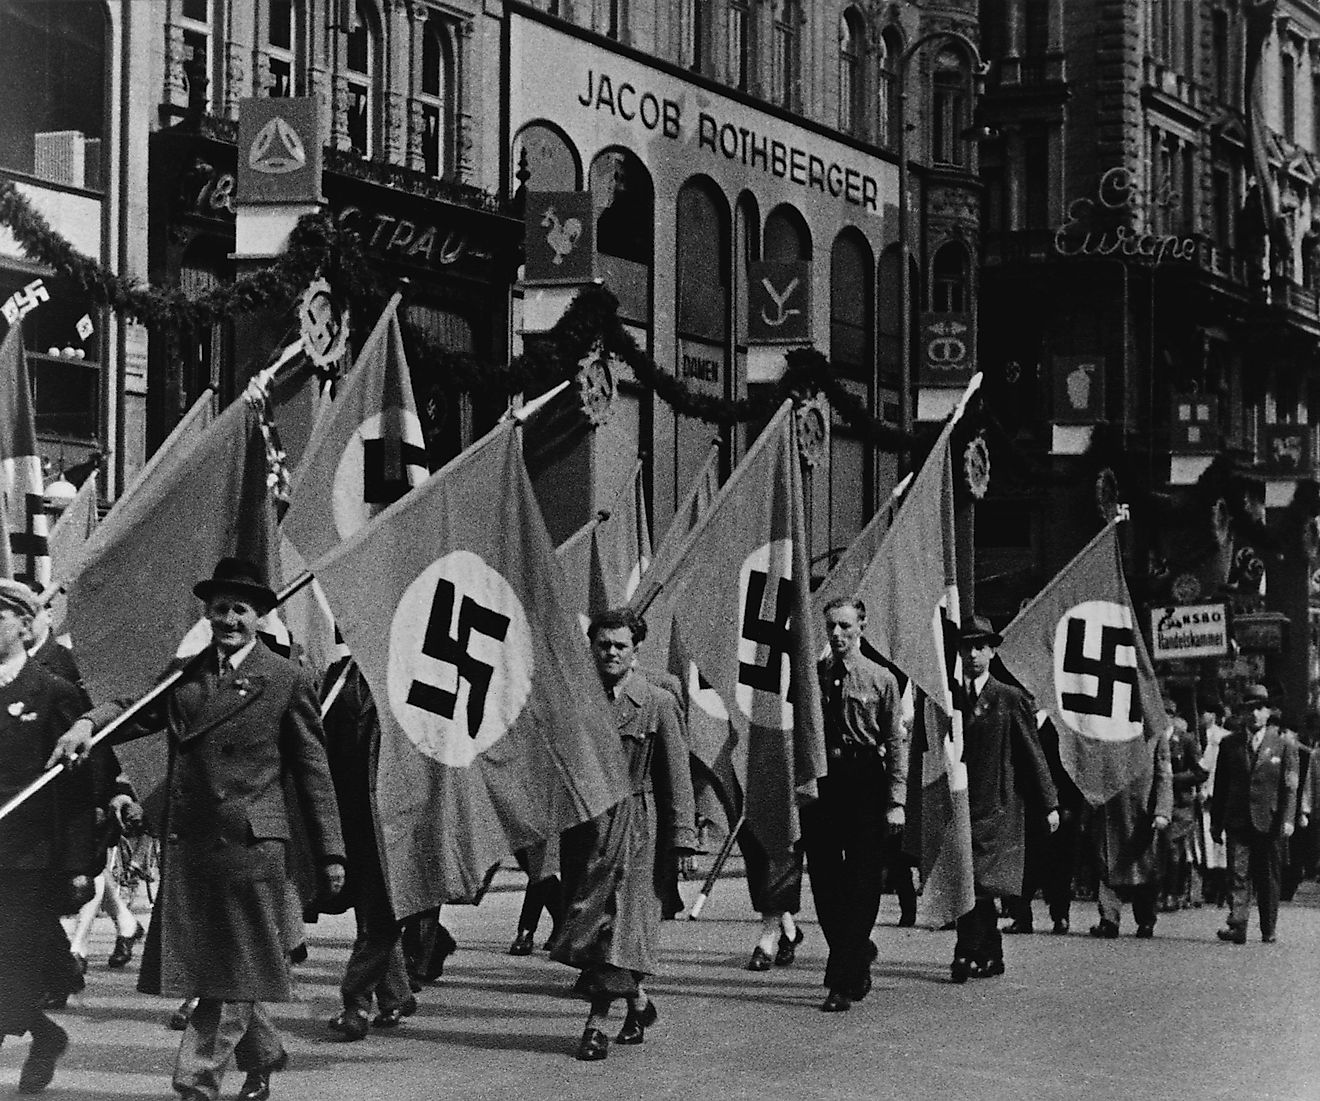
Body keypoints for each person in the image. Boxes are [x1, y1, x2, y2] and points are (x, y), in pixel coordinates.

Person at [48, 558, 345, 1101]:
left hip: (250, 844)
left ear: (260, 617)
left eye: (240, 609)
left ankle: (196, 1080)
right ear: (206, 613)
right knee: (225, 961)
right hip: (191, 841)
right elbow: (133, 711)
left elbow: (314, 773)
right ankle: (263, 1055)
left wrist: (332, 854)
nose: (228, 618)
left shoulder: (287, 679)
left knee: (232, 962)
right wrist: (87, 723)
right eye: (219, 609)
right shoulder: (187, 672)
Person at [550, 608, 698, 1062]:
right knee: (589, 925)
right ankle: (637, 1004)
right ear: (591, 648)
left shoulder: (657, 703)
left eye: (620, 645)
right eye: (603, 645)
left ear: (635, 651)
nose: (611, 652)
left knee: (616, 930)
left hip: (637, 828)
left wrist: (683, 839)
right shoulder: (577, 702)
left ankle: (595, 1026)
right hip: (585, 830)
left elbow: (676, 776)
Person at [0, 578, 107, 1094]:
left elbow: (77, 790)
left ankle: (39, 1034)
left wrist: (78, 862)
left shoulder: (55, 693)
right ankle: (43, 1033)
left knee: (12, 953)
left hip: (29, 855)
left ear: (25, 625)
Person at [803, 597, 908, 1012]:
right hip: (825, 783)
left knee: (863, 881)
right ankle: (856, 953)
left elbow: (895, 744)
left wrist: (896, 800)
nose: (837, 634)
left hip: (865, 780)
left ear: (862, 626)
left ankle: (842, 979)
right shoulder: (813, 676)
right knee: (827, 882)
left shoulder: (881, 679)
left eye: (845, 626)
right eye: (831, 626)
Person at [953, 615, 1058, 983]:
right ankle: (986, 952)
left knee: (982, 882)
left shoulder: (1009, 698)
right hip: (960, 803)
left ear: (993, 651)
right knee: (965, 880)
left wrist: (1049, 803)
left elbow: (1032, 753)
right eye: (966, 648)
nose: (973, 655)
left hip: (998, 803)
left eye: (980, 647)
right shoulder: (950, 697)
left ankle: (968, 951)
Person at [320, 659, 417, 1041]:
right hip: (351, 812)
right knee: (370, 907)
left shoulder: (412, 670)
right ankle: (395, 994)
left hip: (397, 816)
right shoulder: (337, 674)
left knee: (384, 912)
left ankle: (355, 1002)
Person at [1210, 684, 1299, 945]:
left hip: (1269, 821)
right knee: (1237, 873)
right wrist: (1216, 823)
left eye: (1260, 709)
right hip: (1238, 819)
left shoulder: (1283, 745)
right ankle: (1238, 923)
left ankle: (1268, 927)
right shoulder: (1230, 744)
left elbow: (1290, 787)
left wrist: (1288, 819)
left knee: (1268, 876)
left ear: (1269, 712)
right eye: (1250, 709)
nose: (1255, 714)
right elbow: (1221, 787)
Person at [1087, 712, 1173, 939]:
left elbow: (1164, 774)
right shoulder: (1107, 727)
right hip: (1110, 808)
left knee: (1144, 867)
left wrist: (1163, 810)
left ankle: (1145, 920)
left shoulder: (1155, 733)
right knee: (1107, 862)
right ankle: (1109, 919)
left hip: (1142, 811)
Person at [1003, 716, 1085, 935]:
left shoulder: (1062, 728)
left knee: (1060, 866)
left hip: (1060, 807)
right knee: (1023, 865)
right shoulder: (1018, 725)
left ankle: (1060, 916)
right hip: (1025, 806)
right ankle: (1021, 917)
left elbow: (1073, 771)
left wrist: (1068, 807)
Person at [1161, 714, 1208, 911]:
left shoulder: (1186, 740)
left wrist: (1174, 778)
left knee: (1172, 846)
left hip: (1180, 804)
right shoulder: (1151, 737)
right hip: (1157, 803)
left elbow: (1200, 772)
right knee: (1159, 850)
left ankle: (1172, 893)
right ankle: (1160, 892)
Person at [1198, 700, 1231, 905]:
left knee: (1221, 844)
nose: (1202, 716)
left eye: (1206, 712)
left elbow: (1212, 769)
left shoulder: (1222, 738)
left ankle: (1222, 887)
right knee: (1206, 844)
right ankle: (1212, 885)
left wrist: (1208, 790)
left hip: (1219, 795)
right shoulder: (1198, 735)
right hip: (1205, 795)